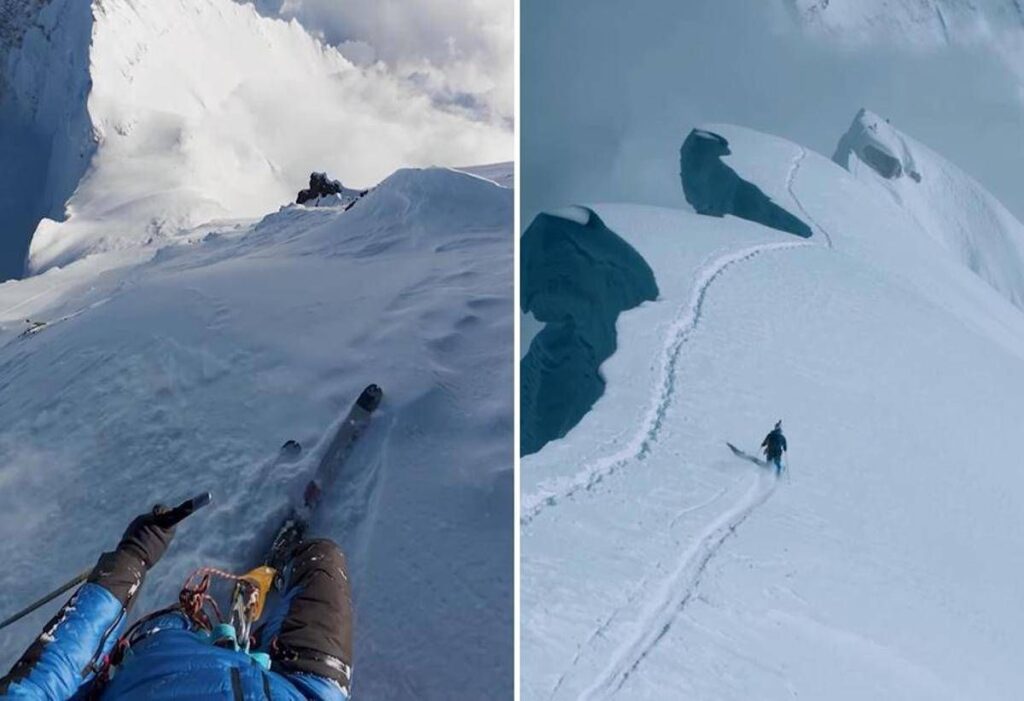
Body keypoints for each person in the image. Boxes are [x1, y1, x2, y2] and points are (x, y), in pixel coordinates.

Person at [0, 506, 353, 699]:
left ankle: (194, 623)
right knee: (322, 561)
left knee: (171, 625)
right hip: (304, 688)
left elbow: (53, 672)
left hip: (159, 657)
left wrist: (130, 560)